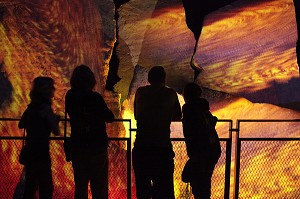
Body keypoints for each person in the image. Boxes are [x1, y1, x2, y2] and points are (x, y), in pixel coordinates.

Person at [65, 65, 115, 199]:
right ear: (90, 80)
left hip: (78, 147)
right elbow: (110, 117)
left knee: (80, 187)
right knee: (99, 187)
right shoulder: (95, 98)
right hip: (96, 147)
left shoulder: (70, 96)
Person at [133, 66, 182, 199]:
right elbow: (178, 116)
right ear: (164, 79)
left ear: (149, 78)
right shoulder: (170, 94)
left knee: (143, 189)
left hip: (142, 147)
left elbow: (136, 115)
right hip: (162, 148)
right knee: (164, 189)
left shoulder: (140, 92)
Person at [18, 76, 60, 199]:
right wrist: (54, 120)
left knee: (30, 186)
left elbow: (21, 124)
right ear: (45, 90)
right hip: (41, 152)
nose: (54, 89)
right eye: (51, 87)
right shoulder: (45, 108)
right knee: (46, 187)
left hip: (30, 151)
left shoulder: (32, 107)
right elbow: (56, 131)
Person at [182, 82, 221, 199]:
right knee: (204, 181)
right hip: (212, 149)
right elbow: (209, 124)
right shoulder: (204, 109)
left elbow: (193, 129)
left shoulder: (188, 108)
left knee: (198, 183)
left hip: (199, 152)